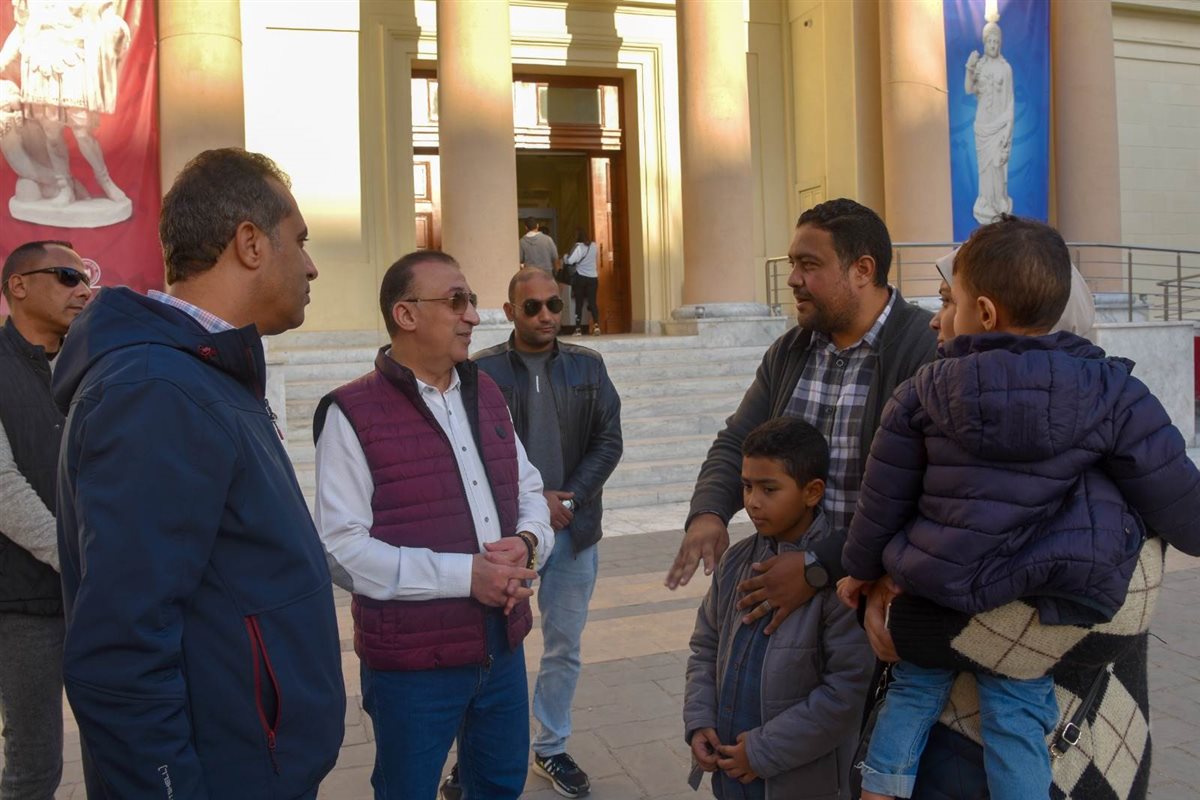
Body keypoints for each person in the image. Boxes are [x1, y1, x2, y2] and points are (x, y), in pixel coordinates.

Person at [838, 216, 1200, 800]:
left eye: (950, 301)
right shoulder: (1116, 394)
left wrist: (859, 571)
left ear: (983, 312)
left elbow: (882, 498)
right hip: (1039, 595)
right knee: (1018, 711)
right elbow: (1179, 498)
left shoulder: (923, 391)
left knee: (911, 692)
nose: (937, 316)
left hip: (936, 585)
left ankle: (880, 788)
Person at [53, 148, 346, 799]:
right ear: (250, 242)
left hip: (257, 767)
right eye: (299, 240)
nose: (311, 265)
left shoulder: (205, 373)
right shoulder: (158, 390)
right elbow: (122, 648)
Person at [313, 251, 554, 800]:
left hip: (502, 647)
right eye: (456, 301)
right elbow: (339, 548)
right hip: (414, 665)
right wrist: (465, 576)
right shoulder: (351, 412)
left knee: (499, 784)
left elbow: (529, 488)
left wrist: (527, 541)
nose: (473, 315)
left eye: (471, 300)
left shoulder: (486, 392)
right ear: (406, 314)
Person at [665, 198, 937, 638]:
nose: (793, 279)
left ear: (863, 270)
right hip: (786, 597)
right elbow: (738, 441)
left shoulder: (925, 351)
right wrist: (709, 512)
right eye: (793, 264)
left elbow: (925, 493)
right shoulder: (790, 351)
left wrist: (817, 566)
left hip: (875, 599)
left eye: (809, 265)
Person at [465, 267, 622, 797]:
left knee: (563, 647)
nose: (547, 315)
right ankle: (474, 756)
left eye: (554, 304)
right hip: (507, 537)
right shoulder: (481, 371)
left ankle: (550, 747)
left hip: (573, 532)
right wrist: (534, 505)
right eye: (532, 307)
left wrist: (569, 497)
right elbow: (470, 450)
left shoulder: (588, 365)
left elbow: (609, 440)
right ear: (510, 312)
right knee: (485, 648)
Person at [683, 417, 872, 799]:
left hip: (802, 782)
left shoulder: (839, 582)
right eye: (747, 486)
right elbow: (705, 647)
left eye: (769, 489)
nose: (753, 501)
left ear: (812, 492)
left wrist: (761, 752)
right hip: (730, 770)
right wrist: (700, 719)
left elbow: (847, 691)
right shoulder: (736, 562)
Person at [0, 239, 94, 800]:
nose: (83, 290)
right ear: (18, 286)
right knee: (34, 766)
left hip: (102, 593)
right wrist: (76, 557)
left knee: (120, 742)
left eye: (86, 279)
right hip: (26, 603)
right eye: (66, 276)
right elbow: (3, 488)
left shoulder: (94, 366)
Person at [965, 15, 1014, 225]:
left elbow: (1010, 101)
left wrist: (1007, 130)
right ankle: (985, 200)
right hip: (982, 125)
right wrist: (969, 68)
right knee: (984, 168)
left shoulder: (1006, 68)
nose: (993, 45)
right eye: (990, 41)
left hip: (999, 124)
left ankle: (998, 200)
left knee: (998, 165)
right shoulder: (980, 66)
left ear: (1000, 44)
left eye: (996, 41)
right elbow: (969, 89)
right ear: (985, 43)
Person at [563, 230, 600, 335]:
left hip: (581, 278)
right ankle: (596, 326)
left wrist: (565, 257)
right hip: (593, 278)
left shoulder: (578, 247)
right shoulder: (594, 246)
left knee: (579, 303)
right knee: (592, 302)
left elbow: (570, 261)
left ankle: (578, 329)